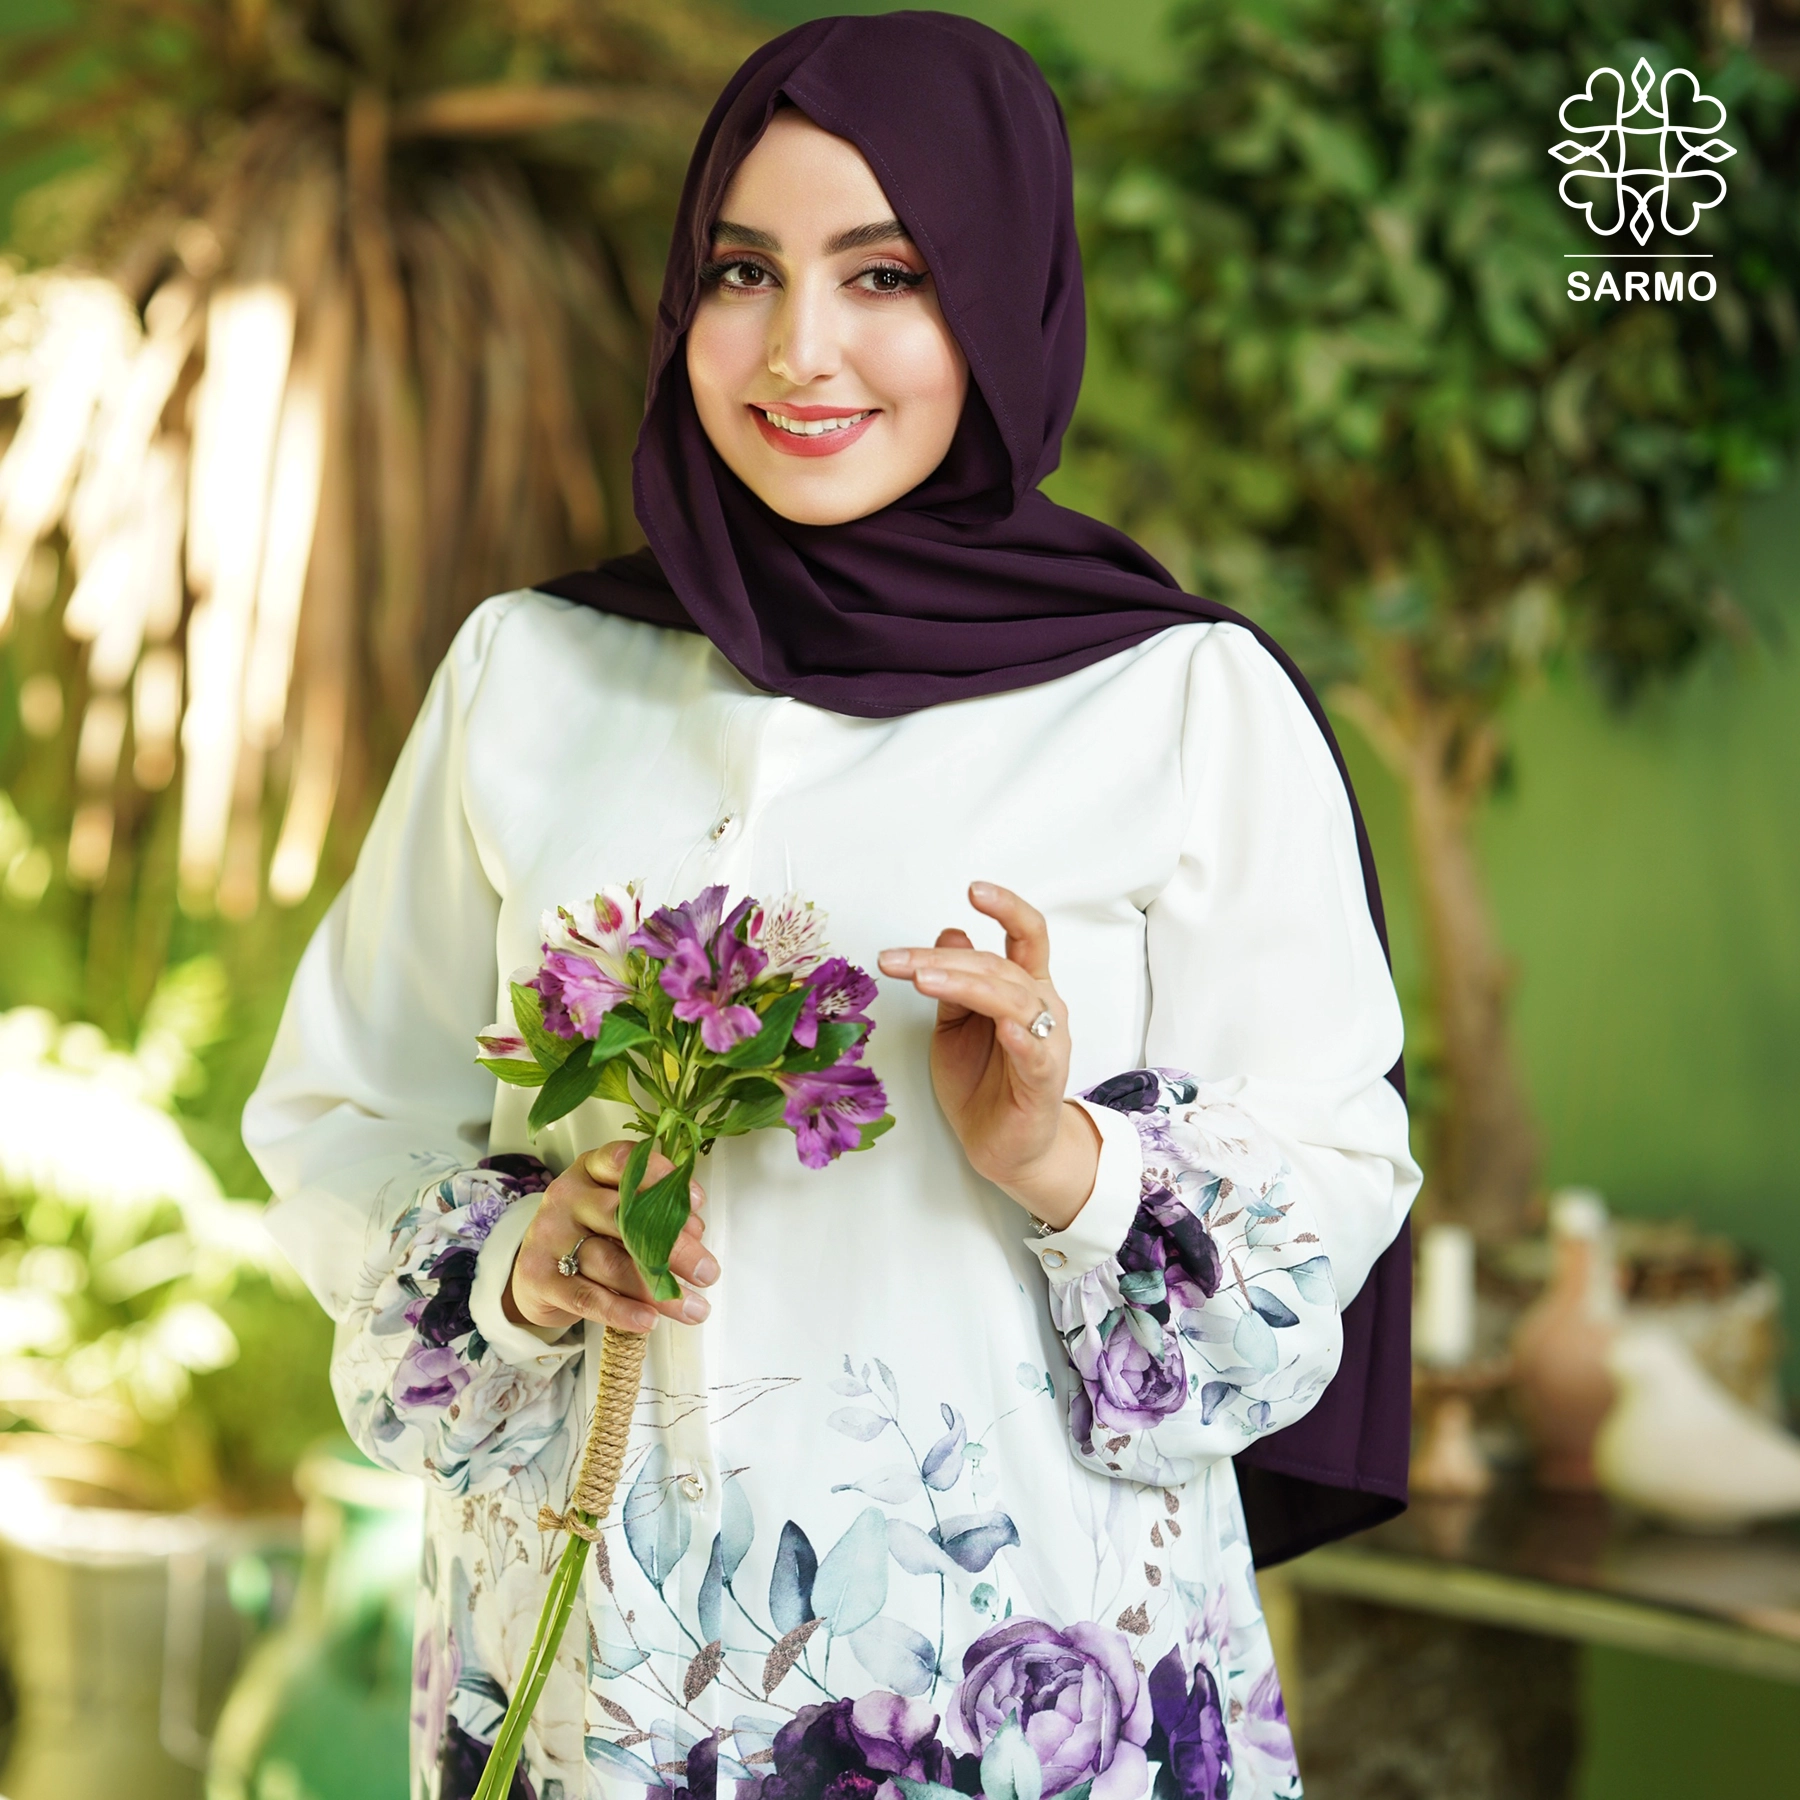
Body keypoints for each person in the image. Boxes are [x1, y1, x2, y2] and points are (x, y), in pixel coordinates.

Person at [245, 14, 1420, 1799]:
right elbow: (348, 1111)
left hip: (1020, 1700)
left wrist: (1064, 1157)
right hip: (588, 1673)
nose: (800, 350)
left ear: (1003, 299)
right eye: (743, 272)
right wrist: (515, 1258)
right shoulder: (532, 672)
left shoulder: (1178, 699)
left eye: (888, 274)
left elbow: (1332, 1177)